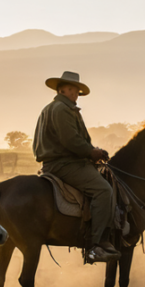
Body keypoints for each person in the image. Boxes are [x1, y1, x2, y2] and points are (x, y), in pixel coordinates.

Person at [33, 71, 121, 264]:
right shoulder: (62, 109)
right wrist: (92, 152)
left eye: (78, 91)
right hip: (65, 164)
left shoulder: (51, 108)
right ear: (64, 89)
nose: (77, 94)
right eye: (74, 90)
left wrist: (91, 150)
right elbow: (71, 140)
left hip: (57, 162)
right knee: (103, 190)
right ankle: (95, 245)